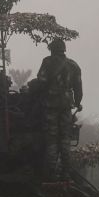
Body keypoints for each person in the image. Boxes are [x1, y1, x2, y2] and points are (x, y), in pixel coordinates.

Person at [28, 38, 82, 180]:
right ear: (63, 49)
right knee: (65, 139)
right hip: (66, 107)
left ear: (52, 49)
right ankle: (66, 173)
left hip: (50, 106)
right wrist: (78, 102)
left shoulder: (48, 62)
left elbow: (41, 82)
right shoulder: (74, 65)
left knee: (51, 139)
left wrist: (32, 86)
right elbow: (79, 89)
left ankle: (50, 175)